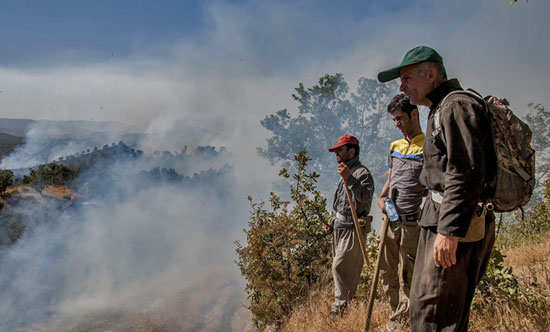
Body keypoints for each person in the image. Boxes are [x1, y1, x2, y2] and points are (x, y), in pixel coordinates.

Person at [377, 46, 495, 331]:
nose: (402, 87)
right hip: (438, 219)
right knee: (425, 307)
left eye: (406, 78)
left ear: (431, 74)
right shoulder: (439, 109)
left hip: (451, 225)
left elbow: (465, 172)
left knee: (437, 315)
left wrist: (449, 231)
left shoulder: (455, 105)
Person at [377, 93, 424, 331]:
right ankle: (397, 311)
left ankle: (401, 323)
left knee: (409, 276)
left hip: (411, 224)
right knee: (386, 273)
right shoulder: (395, 146)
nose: (397, 124)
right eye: (394, 119)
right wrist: (382, 198)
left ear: (414, 114)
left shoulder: (428, 146)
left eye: (399, 118)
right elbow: (390, 179)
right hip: (390, 221)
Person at [324, 134, 375, 316]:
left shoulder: (362, 173)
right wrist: (332, 222)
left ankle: (339, 309)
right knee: (341, 268)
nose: (336, 153)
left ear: (351, 151)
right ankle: (344, 306)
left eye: (340, 150)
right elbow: (341, 202)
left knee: (340, 267)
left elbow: (365, 197)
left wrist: (350, 179)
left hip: (353, 229)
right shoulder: (343, 171)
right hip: (339, 227)